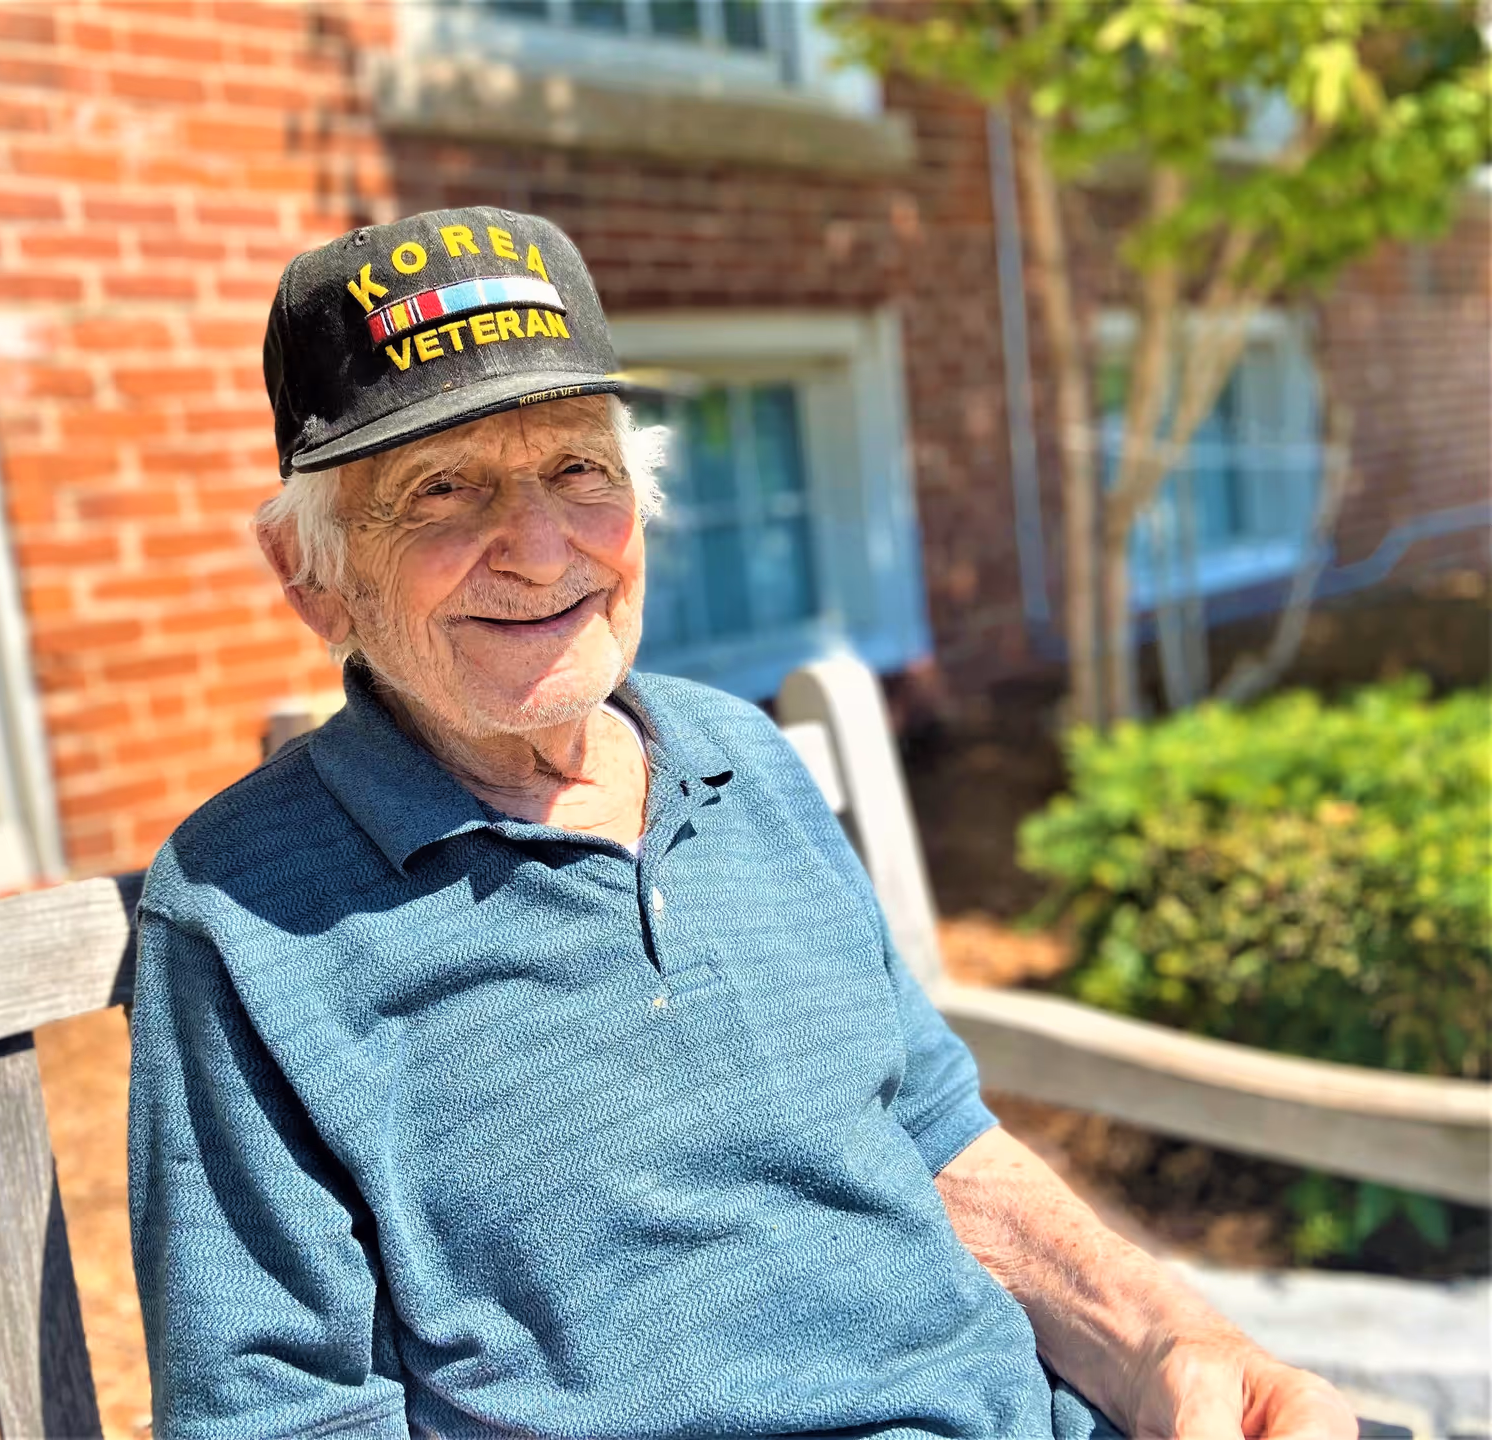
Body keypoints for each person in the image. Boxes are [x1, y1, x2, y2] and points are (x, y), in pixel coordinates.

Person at [127, 206, 1356, 1439]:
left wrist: (1170, 1346)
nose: (542, 547)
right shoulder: (243, 910)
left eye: (577, 470)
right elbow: (276, 1412)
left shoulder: (738, 757)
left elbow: (933, 1138)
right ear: (313, 577)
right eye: (442, 490)